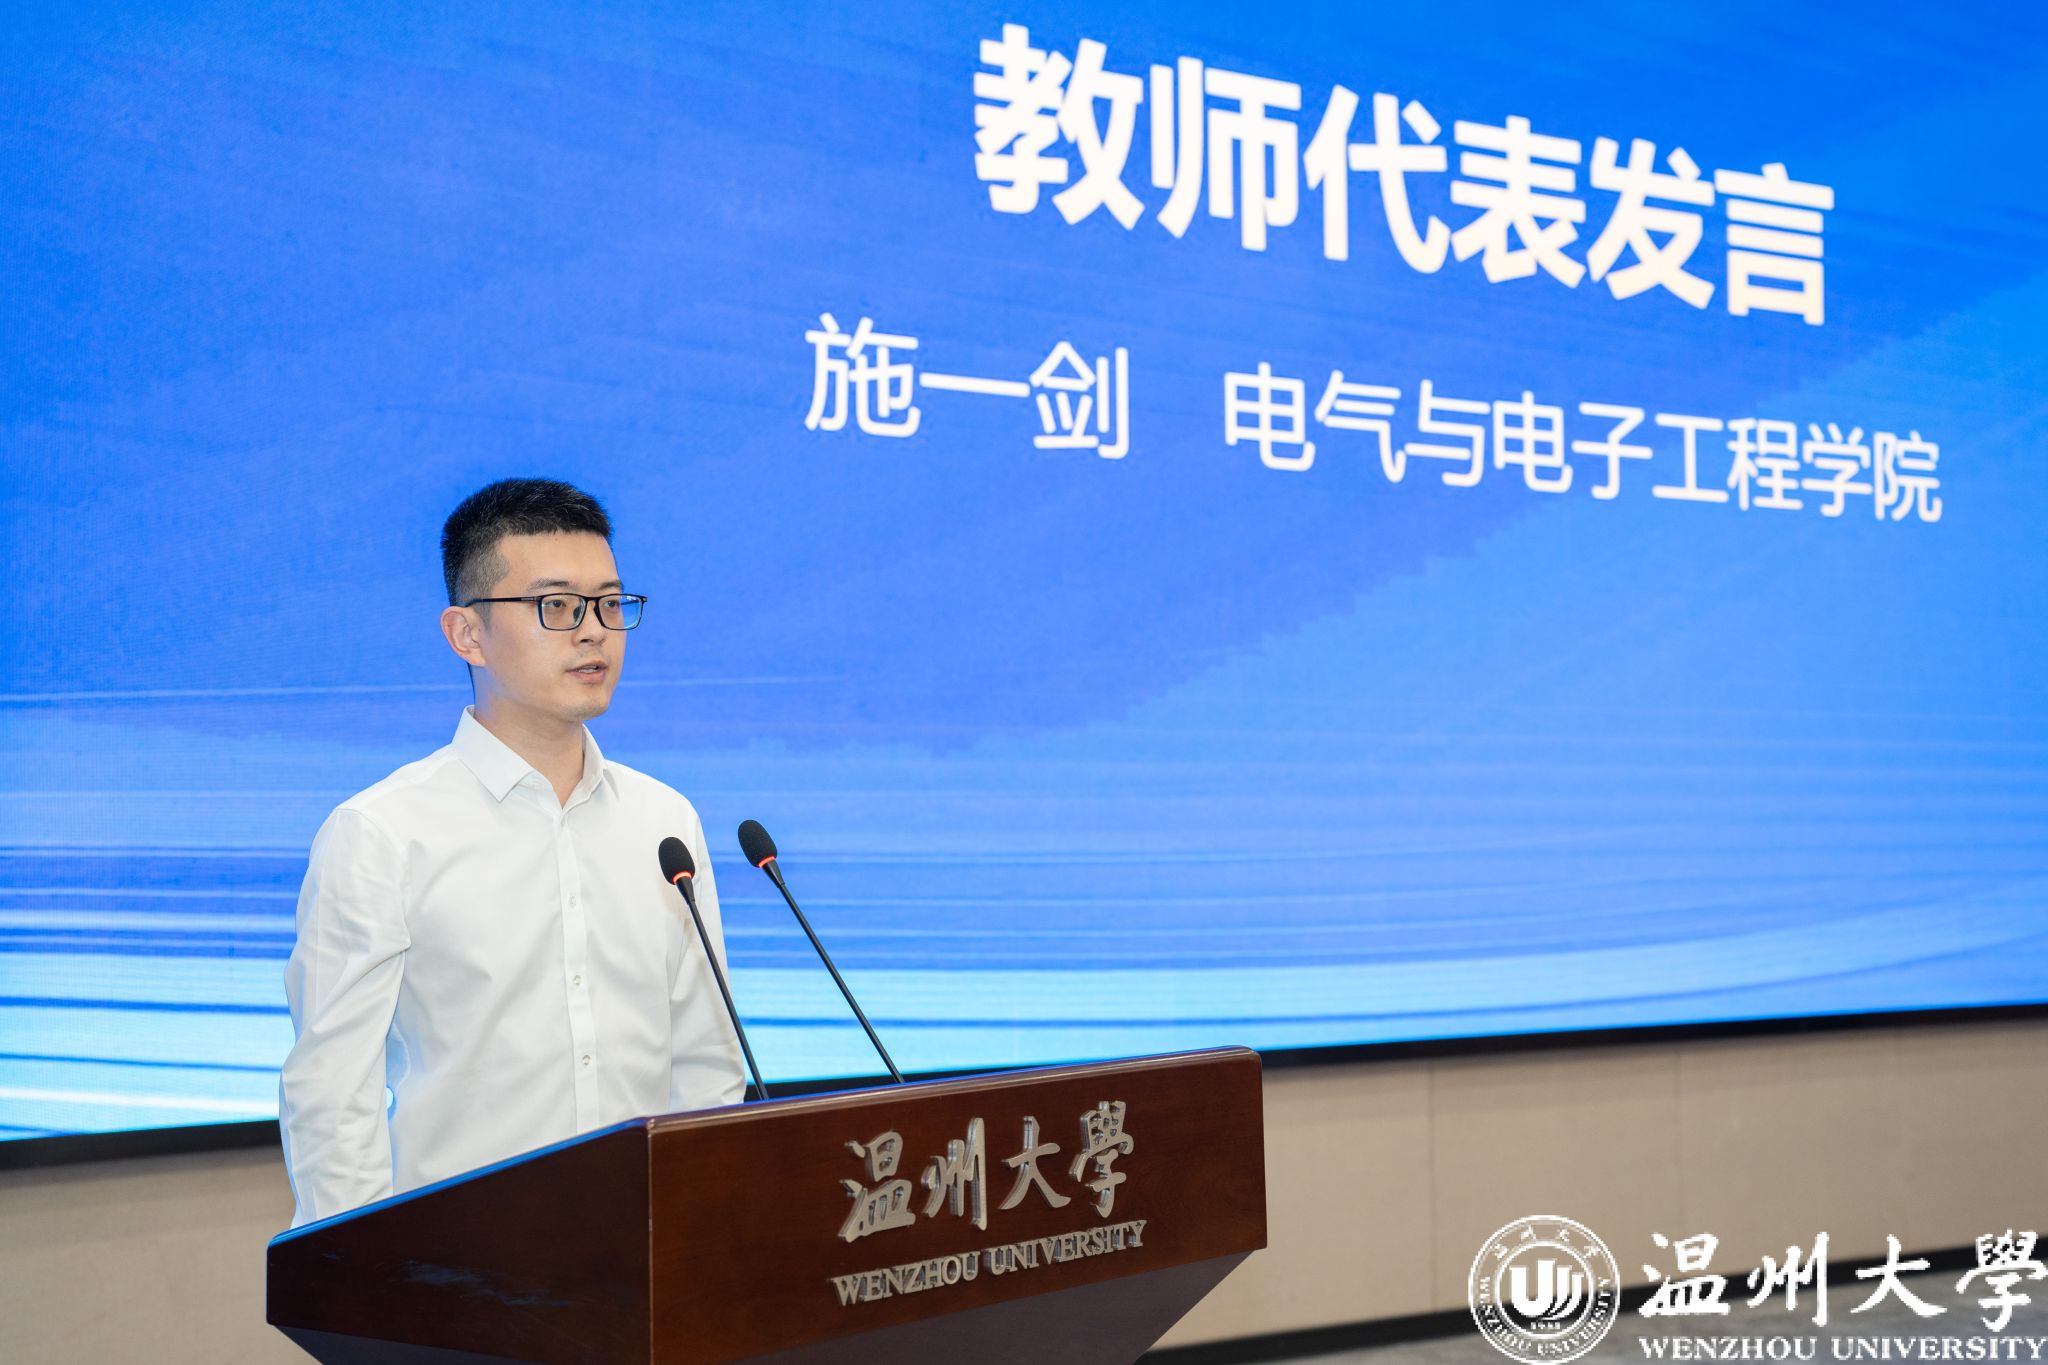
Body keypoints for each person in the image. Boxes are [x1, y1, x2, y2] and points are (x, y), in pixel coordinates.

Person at [277, 477, 744, 1227]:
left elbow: (706, 1059)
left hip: (644, 1248)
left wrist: (702, 1226)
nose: (593, 631)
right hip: (461, 1260)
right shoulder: (383, 832)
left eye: (610, 604)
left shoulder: (663, 820)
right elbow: (332, 1094)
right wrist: (364, 1270)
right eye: (556, 606)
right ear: (467, 634)